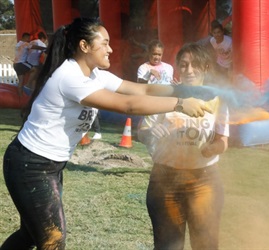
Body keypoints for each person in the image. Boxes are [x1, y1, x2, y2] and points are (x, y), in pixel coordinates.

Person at [1, 17, 212, 250]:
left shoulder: (94, 75)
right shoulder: (70, 76)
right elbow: (128, 105)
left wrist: (183, 89)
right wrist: (180, 103)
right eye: (105, 43)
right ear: (84, 46)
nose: (110, 49)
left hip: (48, 166)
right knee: (52, 239)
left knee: (31, 235)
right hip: (30, 165)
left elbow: (142, 88)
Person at [138, 43, 229, 249]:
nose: (189, 70)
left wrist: (211, 149)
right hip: (165, 182)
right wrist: (149, 133)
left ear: (206, 67)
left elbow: (223, 141)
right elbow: (142, 131)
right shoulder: (165, 95)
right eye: (184, 65)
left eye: (195, 65)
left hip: (204, 182)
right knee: (167, 246)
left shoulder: (218, 99)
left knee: (205, 245)